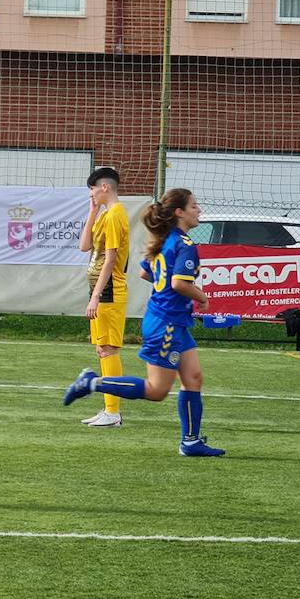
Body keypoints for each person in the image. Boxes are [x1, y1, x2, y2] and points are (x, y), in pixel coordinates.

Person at [64, 188, 225, 457]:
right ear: (179, 212)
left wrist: (169, 290)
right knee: (156, 390)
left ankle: (191, 441)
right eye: (195, 206)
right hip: (167, 324)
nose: (200, 211)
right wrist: (201, 296)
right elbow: (178, 283)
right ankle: (92, 382)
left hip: (172, 321)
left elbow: (145, 272)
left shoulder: (165, 240)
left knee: (193, 378)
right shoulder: (185, 245)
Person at [77, 167, 130, 427]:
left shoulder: (116, 215)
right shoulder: (104, 215)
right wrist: (92, 211)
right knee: (102, 349)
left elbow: (110, 259)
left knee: (108, 349)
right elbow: (84, 246)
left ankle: (113, 412)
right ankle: (109, 408)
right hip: (100, 290)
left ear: (105, 187)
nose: (91, 193)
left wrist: (96, 296)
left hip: (109, 291)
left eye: (93, 189)